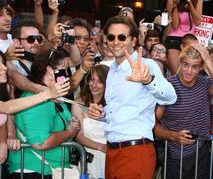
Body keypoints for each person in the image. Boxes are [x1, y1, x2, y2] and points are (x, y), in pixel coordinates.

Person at [88, 15, 177, 179]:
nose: (116, 42)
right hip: (113, 151)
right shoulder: (111, 71)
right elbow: (119, 110)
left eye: (122, 37)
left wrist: (148, 80)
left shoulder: (146, 65)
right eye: (111, 37)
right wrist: (101, 114)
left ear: (134, 41)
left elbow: (170, 97)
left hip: (135, 151)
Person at [154, 43, 213, 179]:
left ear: (201, 67)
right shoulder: (167, 86)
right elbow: (152, 124)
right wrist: (173, 136)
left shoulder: (205, 84)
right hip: (175, 156)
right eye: (186, 65)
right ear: (180, 62)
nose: (189, 71)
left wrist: (209, 60)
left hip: (201, 152)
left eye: (195, 66)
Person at [7, 49, 80, 179]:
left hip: (50, 170)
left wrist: (73, 125)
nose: (67, 76)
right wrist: (69, 132)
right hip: (35, 171)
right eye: (64, 71)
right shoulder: (36, 100)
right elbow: (41, 142)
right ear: (49, 71)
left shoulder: (55, 98)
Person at [72, 65, 108, 179]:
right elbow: (78, 135)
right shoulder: (79, 103)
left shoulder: (113, 105)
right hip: (88, 156)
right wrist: (101, 147)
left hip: (110, 156)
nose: (94, 85)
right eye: (92, 80)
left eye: (99, 81)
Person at [165, 0, 203, 75]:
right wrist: (176, 4)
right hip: (173, 39)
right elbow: (175, 25)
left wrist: (189, 3)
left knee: (188, 74)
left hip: (190, 41)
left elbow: (198, 21)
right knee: (177, 74)